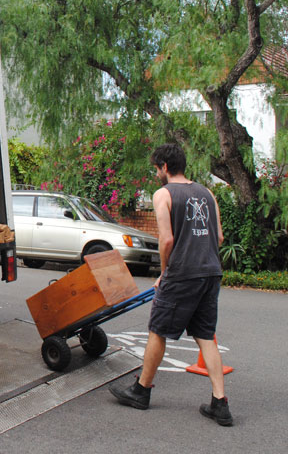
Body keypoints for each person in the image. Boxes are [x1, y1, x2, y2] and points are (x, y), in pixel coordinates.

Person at [109, 143, 233, 426]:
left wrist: (165, 273)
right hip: (211, 272)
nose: (156, 173)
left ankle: (141, 391)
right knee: (205, 335)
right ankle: (219, 402)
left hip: (181, 274)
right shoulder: (207, 193)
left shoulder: (163, 194)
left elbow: (166, 240)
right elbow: (220, 237)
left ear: (164, 167)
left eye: (156, 168)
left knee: (158, 330)